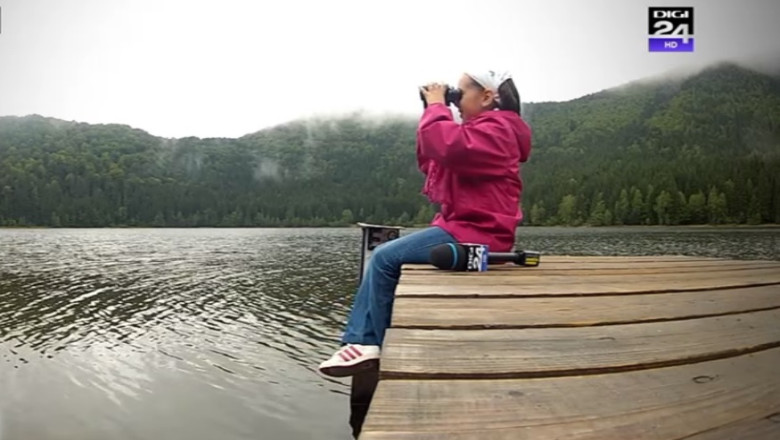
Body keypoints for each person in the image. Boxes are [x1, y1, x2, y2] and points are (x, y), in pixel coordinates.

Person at [317, 70, 532, 377]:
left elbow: (448, 146)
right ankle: (369, 339)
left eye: (460, 93)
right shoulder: (488, 131)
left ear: (487, 97)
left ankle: (365, 342)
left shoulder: (499, 130)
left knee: (384, 257)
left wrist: (436, 105)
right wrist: (430, 109)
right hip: (465, 227)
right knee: (391, 256)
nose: (455, 101)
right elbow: (434, 157)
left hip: (478, 231)